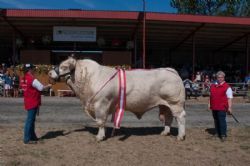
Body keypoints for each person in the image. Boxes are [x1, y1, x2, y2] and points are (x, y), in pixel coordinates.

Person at [22, 64, 52, 144]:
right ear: (30, 69)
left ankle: (32, 136)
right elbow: (41, 88)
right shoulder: (32, 79)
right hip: (33, 101)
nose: (34, 70)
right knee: (30, 120)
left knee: (31, 120)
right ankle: (27, 139)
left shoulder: (23, 78)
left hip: (28, 101)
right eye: (33, 69)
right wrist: (48, 86)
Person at [209, 71, 233, 142]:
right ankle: (217, 133)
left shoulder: (227, 87)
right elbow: (211, 96)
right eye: (218, 77)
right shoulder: (213, 85)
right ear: (216, 78)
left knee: (222, 121)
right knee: (216, 120)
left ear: (223, 78)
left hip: (222, 107)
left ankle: (223, 134)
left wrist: (230, 107)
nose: (219, 79)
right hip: (214, 106)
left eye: (221, 77)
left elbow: (230, 98)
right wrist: (209, 103)